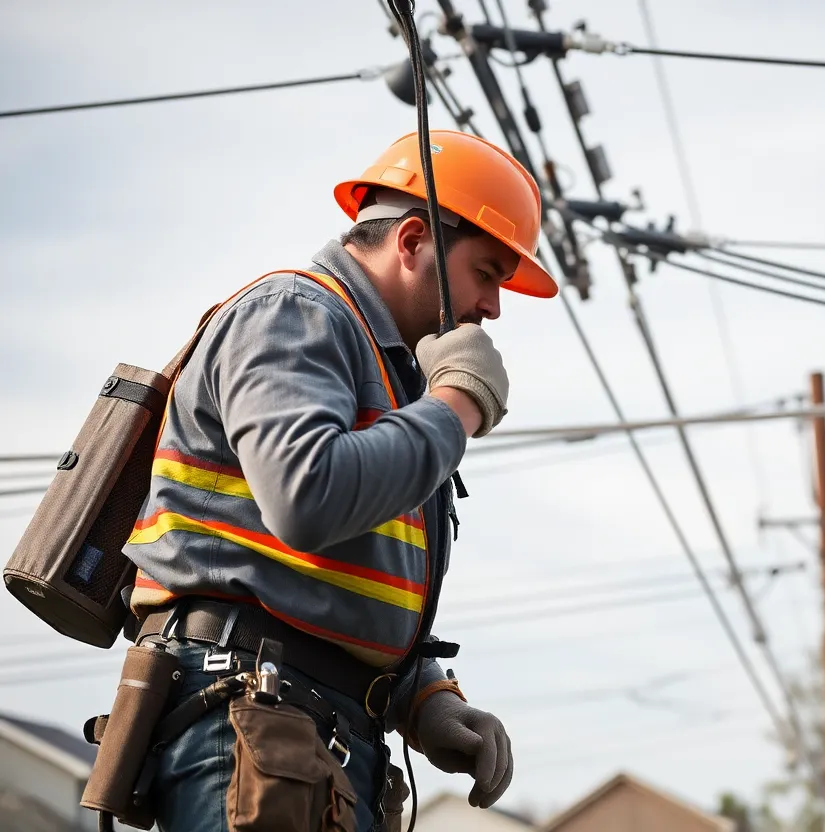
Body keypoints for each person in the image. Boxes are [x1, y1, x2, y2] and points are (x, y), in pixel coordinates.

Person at [119, 129, 559, 832]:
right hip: (247, 708)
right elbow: (306, 497)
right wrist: (459, 405)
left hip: (301, 726)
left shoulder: (386, 376)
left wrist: (422, 697)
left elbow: (332, 578)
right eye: (487, 273)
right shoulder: (296, 313)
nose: (494, 308)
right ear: (413, 240)